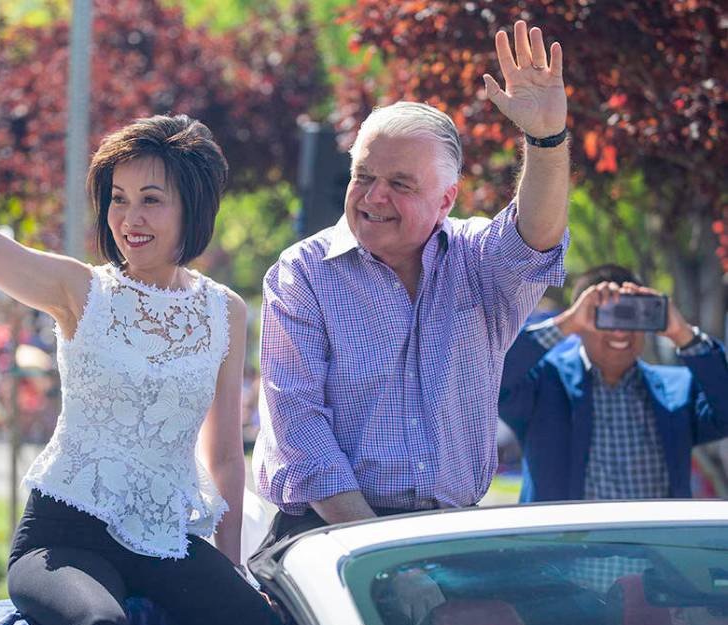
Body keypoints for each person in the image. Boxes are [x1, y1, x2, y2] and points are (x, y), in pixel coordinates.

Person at [0, 93, 290, 625]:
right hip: (63, 535)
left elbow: (224, 455)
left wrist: (230, 568)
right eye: (119, 199)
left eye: (152, 200)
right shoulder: (82, 291)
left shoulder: (225, 311)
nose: (131, 218)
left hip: (165, 538)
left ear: (193, 209)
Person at [252, 19, 570, 564]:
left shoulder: (477, 260)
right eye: (362, 176)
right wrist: (383, 554)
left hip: (444, 535)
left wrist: (545, 140)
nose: (373, 197)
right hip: (326, 532)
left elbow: (535, 240)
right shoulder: (301, 273)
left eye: (400, 184)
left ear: (447, 200)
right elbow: (301, 431)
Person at [499, 264, 728, 502]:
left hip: (653, 538)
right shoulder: (543, 385)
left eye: (631, 315)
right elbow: (493, 378)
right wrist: (564, 323)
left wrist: (682, 334)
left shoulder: (677, 390)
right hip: (567, 539)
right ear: (580, 324)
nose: (620, 332)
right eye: (606, 315)